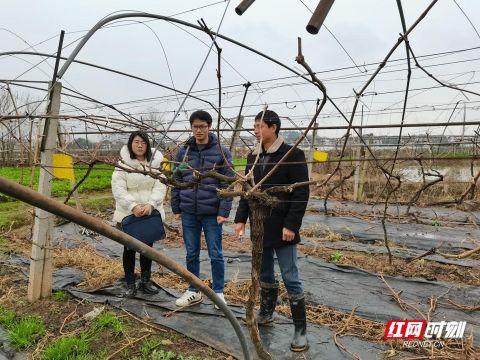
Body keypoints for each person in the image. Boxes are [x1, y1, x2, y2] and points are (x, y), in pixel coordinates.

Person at [234, 110, 310, 352]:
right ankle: (266, 312)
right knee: (265, 272)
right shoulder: (253, 156)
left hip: (282, 226)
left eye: (259, 126)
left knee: (290, 275)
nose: (256, 130)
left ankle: (300, 329)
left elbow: (301, 194)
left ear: (273, 127)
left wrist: (291, 225)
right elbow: (249, 190)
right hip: (260, 226)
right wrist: (241, 218)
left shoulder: (292, 154)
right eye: (254, 126)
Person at [171, 110, 233, 308]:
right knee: (191, 252)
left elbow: (228, 184)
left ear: (209, 127)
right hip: (189, 210)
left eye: (202, 126)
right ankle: (193, 290)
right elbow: (177, 179)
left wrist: (223, 211)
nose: (198, 130)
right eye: (195, 127)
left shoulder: (221, 151)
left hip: (212, 212)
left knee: (216, 253)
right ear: (191, 128)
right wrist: (176, 206)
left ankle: (218, 292)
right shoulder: (184, 152)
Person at [112, 131, 167, 298]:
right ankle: (130, 282)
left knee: (147, 249)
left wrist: (151, 204)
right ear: (130, 144)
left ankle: (145, 280)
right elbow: (118, 189)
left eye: (143, 142)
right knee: (129, 249)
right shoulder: (123, 164)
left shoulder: (155, 164)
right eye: (136, 142)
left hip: (149, 213)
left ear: (148, 145)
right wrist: (133, 206)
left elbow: (160, 185)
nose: (140, 145)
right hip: (128, 214)